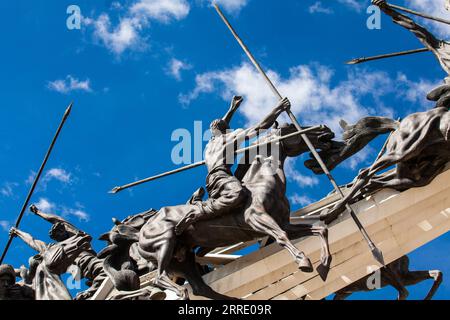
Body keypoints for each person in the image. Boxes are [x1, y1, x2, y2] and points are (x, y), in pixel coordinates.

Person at [175, 96, 291, 235]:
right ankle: (196, 213)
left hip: (213, 180)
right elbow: (260, 127)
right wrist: (279, 108)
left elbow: (219, 126)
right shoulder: (230, 137)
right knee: (239, 193)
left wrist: (232, 109)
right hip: (222, 176)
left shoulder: (210, 143)